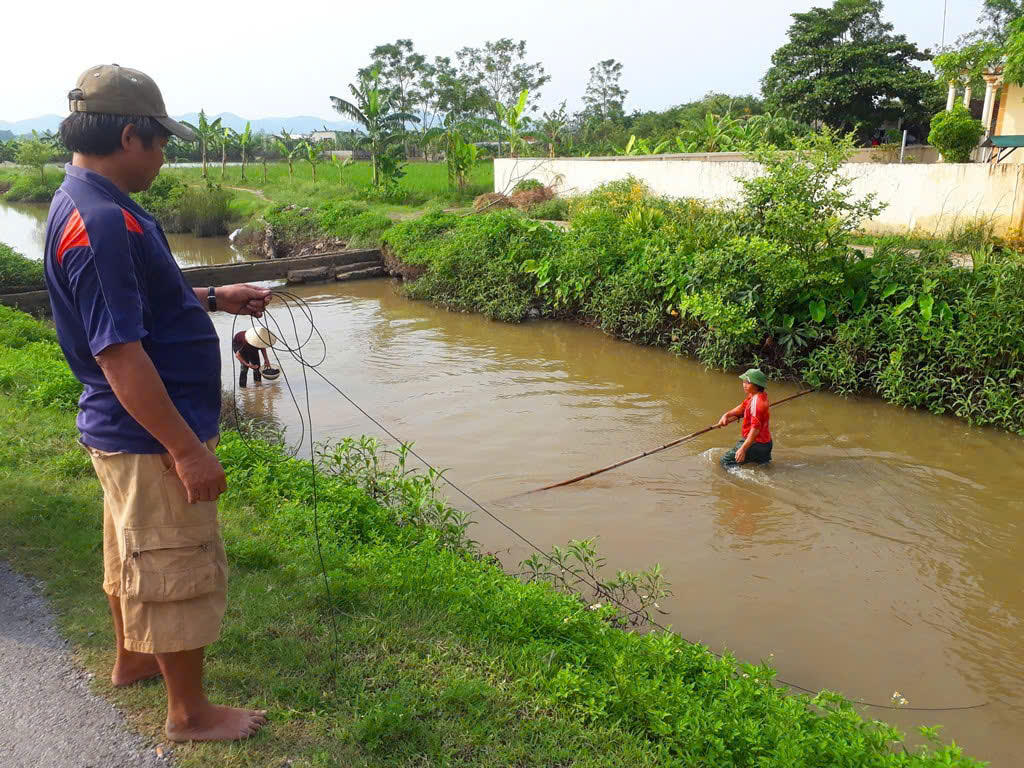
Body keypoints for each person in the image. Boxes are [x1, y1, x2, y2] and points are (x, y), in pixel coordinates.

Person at [43, 64, 271, 742]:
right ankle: (189, 714)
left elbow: (139, 304)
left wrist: (212, 298)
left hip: (124, 432)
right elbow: (120, 353)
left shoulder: (93, 200)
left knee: (131, 550)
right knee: (175, 563)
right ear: (129, 134)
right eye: (161, 142)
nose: (165, 156)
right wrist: (187, 449)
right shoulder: (102, 221)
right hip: (148, 436)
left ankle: (133, 661)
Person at [717, 368, 772, 468]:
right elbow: (743, 407)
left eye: (747, 383)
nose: (744, 385)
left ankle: (734, 482)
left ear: (756, 385)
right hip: (766, 443)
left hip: (755, 443)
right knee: (763, 467)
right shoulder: (758, 395)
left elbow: (755, 430)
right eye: (743, 382)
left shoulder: (757, 403)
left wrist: (743, 449)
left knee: (725, 462)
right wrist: (727, 415)